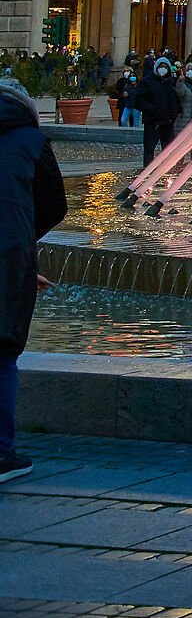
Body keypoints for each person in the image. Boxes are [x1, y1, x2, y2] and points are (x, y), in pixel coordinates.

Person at [1, 74, 67, 483]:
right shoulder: (31, 141)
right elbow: (54, 205)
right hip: (7, 260)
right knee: (3, 354)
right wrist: (21, 248)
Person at [131, 57, 183, 167]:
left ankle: (167, 169)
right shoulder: (147, 82)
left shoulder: (171, 82)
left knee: (168, 149)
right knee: (150, 148)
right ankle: (148, 170)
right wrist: (152, 110)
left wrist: (176, 110)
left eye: (165, 67)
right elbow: (138, 100)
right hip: (153, 122)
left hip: (168, 122)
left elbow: (176, 98)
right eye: (160, 67)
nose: (162, 69)